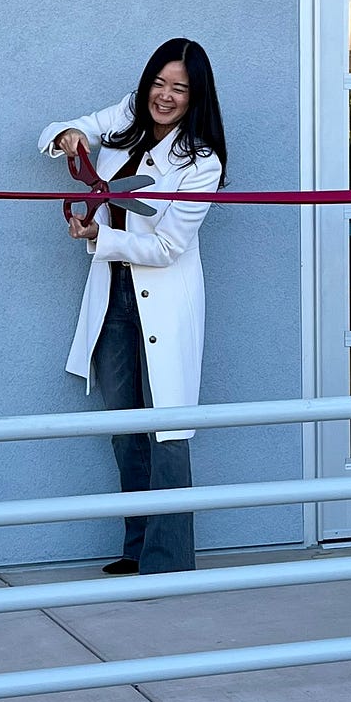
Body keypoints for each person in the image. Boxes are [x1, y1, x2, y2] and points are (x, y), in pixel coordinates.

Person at [40, 38, 227, 577]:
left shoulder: (202, 163)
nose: (165, 96)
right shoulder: (128, 115)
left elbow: (169, 247)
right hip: (113, 296)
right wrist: (69, 136)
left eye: (179, 89)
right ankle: (137, 547)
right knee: (126, 429)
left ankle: (168, 563)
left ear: (196, 98)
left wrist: (101, 238)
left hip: (162, 301)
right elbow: (56, 133)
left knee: (167, 428)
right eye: (159, 84)